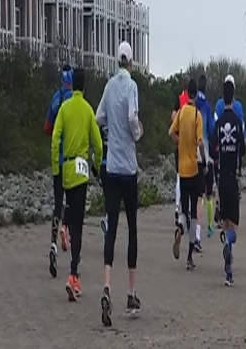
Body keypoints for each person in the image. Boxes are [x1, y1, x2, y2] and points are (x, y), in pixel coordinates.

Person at [96, 41, 144, 326]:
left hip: (110, 166)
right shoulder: (131, 86)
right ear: (131, 61)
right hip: (127, 167)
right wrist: (136, 133)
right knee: (133, 229)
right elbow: (131, 117)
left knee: (111, 228)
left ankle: (106, 286)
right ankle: (131, 291)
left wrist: (110, 133)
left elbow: (99, 115)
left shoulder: (109, 85)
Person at [51, 68, 103, 303]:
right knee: (79, 225)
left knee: (69, 209)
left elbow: (55, 139)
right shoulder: (88, 110)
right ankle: (73, 274)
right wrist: (96, 165)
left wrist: (56, 167)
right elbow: (98, 144)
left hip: (67, 168)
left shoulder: (64, 108)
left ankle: (65, 224)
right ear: (85, 86)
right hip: (82, 169)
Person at [169, 77, 205, 272]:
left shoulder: (182, 113)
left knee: (183, 210)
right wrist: (205, 161)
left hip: (182, 170)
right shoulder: (197, 115)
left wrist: (180, 142)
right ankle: (190, 256)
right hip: (194, 168)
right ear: (196, 94)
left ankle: (179, 229)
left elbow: (170, 132)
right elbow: (200, 142)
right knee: (193, 212)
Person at [215, 79, 246, 286]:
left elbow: (212, 144)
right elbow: (242, 149)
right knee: (233, 224)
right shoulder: (237, 121)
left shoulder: (218, 123)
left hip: (220, 176)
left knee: (225, 221)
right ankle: (229, 268)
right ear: (233, 97)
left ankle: (228, 269)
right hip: (233, 176)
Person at [45, 64, 73, 278]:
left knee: (57, 204)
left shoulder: (56, 99)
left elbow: (47, 128)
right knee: (72, 203)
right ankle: (68, 228)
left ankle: (53, 245)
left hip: (57, 161)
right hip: (73, 163)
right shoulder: (76, 102)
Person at [196, 75, 217, 241]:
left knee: (198, 196)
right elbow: (211, 129)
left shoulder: (192, 104)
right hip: (206, 154)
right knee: (208, 194)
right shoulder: (207, 107)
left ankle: (196, 231)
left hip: (192, 154)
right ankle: (210, 227)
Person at [172, 80, 190, 228]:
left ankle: (177, 206)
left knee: (178, 175)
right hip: (189, 146)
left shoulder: (178, 100)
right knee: (188, 177)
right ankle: (186, 210)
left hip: (179, 143)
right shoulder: (191, 104)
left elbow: (173, 118)